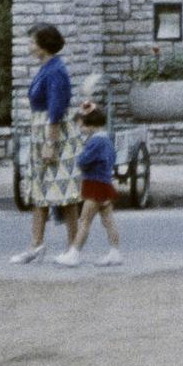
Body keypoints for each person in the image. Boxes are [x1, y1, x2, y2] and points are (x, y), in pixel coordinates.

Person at [10, 23, 82, 264]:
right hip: (42, 131)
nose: (29, 46)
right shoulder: (47, 68)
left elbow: (56, 110)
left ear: (43, 45)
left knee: (66, 193)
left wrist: (50, 143)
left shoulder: (55, 71)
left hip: (55, 135)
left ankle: (73, 246)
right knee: (40, 190)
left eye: (32, 41)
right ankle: (36, 244)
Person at [55, 104, 124, 267]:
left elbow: (82, 160)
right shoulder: (107, 140)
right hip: (105, 183)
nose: (81, 129)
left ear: (90, 125)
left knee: (84, 221)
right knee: (108, 221)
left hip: (94, 184)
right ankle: (115, 252)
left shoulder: (95, 142)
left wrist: (80, 155)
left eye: (83, 126)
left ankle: (74, 253)